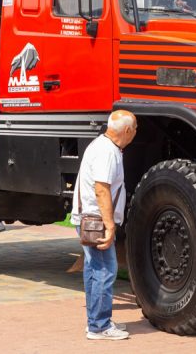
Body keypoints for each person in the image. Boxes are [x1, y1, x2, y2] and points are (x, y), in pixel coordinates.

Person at [71, 110, 137, 340]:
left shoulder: (102, 146)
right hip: (96, 220)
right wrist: (110, 225)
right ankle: (99, 326)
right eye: (135, 128)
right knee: (105, 271)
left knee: (94, 270)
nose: (136, 132)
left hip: (89, 219)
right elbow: (102, 189)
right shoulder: (108, 152)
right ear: (127, 130)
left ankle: (96, 322)